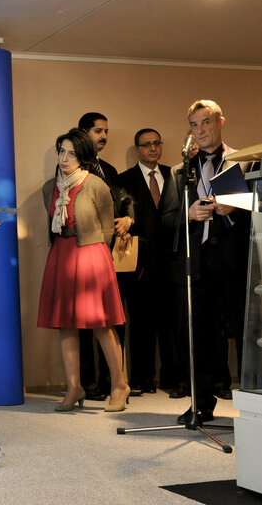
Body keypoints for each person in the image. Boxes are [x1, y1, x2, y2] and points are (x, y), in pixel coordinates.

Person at [161, 99, 252, 423]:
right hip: (197, 263)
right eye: (194, 125)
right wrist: (188, 213)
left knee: (245, 333)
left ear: (220, 123)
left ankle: (253, 407)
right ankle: (201, 403)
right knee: (197, 334)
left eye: (206, 123)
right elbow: (166, 218)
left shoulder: (245, 161)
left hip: (236, 261)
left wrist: (238, 207)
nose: (200, 131)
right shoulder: (180, 170)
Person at [37, 128, 129, 412]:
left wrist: (97, 257)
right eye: (61, 151)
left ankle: (119, 385)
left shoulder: (96, 185)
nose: (65, 158)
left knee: (101, 324)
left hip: (91, 254)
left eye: (71, 153)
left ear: (83, 157)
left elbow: (106, 228)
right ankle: (74, 386)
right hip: (61, 254)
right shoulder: (49, 188)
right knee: (65, 324)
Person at [77, 112, 134, 401]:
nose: (104, 136)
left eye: (106, 131)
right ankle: (88, 384)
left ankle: (115, 381)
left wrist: (128, 219)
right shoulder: (71, 168)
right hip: (84, 252)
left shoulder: (109, 170)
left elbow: (124, 201)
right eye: (98, 130)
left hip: (112, 253)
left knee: (112, 318)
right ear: (83, 133)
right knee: (85, 322)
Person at [118, 129, 176, 396]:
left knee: (171, 321)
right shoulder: (124, 180)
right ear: (137, 149)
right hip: (138, 261)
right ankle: (141, 379)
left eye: (156, 143)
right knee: (140, 322)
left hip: (171, 258)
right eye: (147, 145)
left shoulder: (173, 174)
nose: (153, 148)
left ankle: (172, 378)